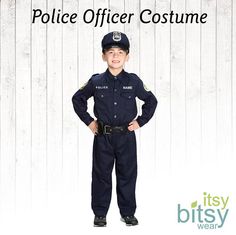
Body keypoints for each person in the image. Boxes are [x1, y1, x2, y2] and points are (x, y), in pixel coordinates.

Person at [72, 31, 157, 227]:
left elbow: (151, 100)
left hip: (126, 136)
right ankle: (100, 214)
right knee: (101, 175)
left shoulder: (133, 82)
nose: (116, 56)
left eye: (120, 52)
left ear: (127, 56)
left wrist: (140, 122)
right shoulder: (96, 82)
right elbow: (77, 99)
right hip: (103, 136)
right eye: (111, 52)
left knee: (127, 174)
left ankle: (127, 213)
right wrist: (89, 122)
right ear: (103, 56)